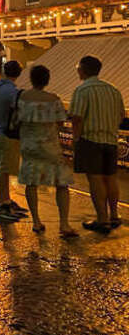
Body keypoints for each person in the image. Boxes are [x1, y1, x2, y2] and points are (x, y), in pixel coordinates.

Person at [17, 65, 77, 238]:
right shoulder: (54, 99)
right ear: (47, 80)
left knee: (31, 183)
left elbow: (18, 119)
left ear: (32, 79)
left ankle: (36, 221)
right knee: (61, 184)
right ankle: (64, 223)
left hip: (29, 145)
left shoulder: (24, 97)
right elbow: (60, 121)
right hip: (50, 146)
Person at [70, 55, 126, 233]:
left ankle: (102, 219)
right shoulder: (113, 90)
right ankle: (114, 215)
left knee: (94, 179)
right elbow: (121, 115)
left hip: (90, 140)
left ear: (83, 70)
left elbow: (77, 117)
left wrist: (76, 139)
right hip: (111, 140)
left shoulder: (82, 90)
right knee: (110, 178)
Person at [0, 60, 29, 222]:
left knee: (4, 168)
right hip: (8, 134)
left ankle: (6, 200)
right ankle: (1, 203)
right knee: (4, 169)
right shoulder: (13, 92)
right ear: (19, 74)